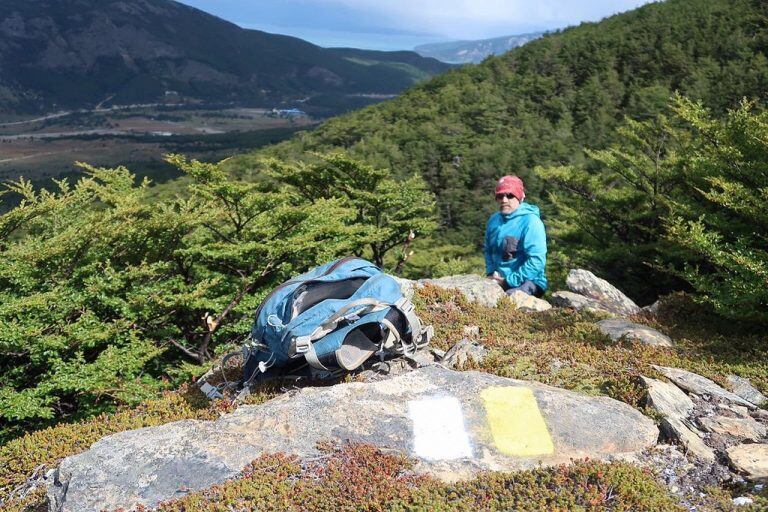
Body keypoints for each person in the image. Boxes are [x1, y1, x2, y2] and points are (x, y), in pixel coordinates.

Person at [484, 175, 547, 297]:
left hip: (530, 281)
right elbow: (488, 250)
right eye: (500, 196)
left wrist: (509, 281)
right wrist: (491, 272)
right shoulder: (493, 220)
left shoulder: (531, 222)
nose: (504, 200)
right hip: (499, 279)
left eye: (510, 195)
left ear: (519, 197)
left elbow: (537, 261)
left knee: (507, 302)